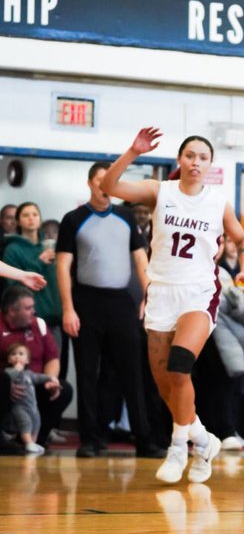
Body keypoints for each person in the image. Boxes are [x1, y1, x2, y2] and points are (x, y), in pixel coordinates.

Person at [98, 131, 244, 484]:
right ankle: (203, 439)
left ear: (210, 164)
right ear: (179, 161)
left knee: (180, 366)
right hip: (162, 292)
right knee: (165, 383)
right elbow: (110, 185)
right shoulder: (160, 192)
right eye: (190, 155)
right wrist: (133, 151)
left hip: (199, 292)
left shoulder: (218, 202)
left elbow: (242, 240)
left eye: (202, 157)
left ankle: (178, 448)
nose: (196, 162)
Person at [57, 162, 163, 459]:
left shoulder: (126, 217)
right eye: (100, 181)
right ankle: (90, 438)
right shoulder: (73, 219)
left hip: (121, 304)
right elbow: (63, 266)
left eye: (110, 181)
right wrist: (68, 308)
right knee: (89, 373)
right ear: (90, 183)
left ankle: (145, 438)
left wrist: (148, 296)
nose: (105, 186)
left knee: (133, 374)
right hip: (86, 302)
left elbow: (141, 261)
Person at [0, 286, 71, 451]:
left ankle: (35, 440)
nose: (33, 311)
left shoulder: (38, 324)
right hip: (7, 385)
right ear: (12, 311)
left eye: (33, 307)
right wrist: (7, 386)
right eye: (28, 308)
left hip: (32, 383)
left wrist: (50, 380)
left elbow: (52, 358)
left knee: (64, 389)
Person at [3, 203, 61, 356]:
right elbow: (13, 288)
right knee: (32, 368)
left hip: (56, 318)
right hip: (30, 320)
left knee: (56, 369)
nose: (31, 218)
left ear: (40, 219)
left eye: (35, 214)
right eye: (26, 215)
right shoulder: (13, 250)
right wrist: (39, 263)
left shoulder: (50, 246)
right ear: (18, 221)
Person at [3, 344, 55, 455]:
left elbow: (39, 377)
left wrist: (50, 378)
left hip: (32, 406)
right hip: (19, 406)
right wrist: (17, 369)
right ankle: (28, 443)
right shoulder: (8, 371)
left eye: (21, 354)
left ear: (27, 360)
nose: (17, 357)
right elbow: (7, 379)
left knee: (37, 422)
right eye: (13, 354)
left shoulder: (29, 374)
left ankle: (33, 442)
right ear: (9, 359)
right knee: (25, 423)